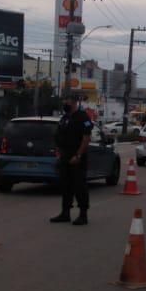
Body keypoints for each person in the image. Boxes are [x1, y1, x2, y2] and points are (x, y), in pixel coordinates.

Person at [51, 94, 93, 226]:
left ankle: (83, 215)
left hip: (77, 157)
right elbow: (58, 136)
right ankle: (65, 213)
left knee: (79, 186)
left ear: (74, 103)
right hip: (64, 156)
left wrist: (78, 155)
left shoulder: (82, 117)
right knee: (65, 186)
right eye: (64, 102)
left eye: (67, 102)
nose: (65, 104)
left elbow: (86, 138)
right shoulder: (64, 118)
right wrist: (59, 153)